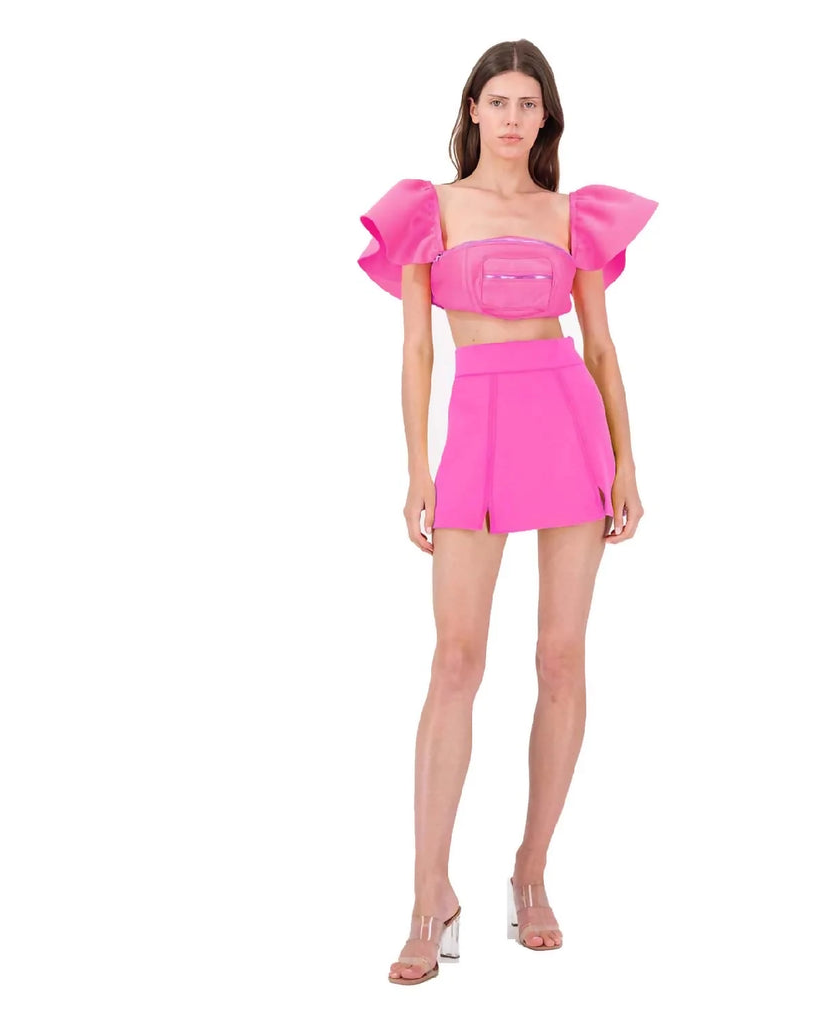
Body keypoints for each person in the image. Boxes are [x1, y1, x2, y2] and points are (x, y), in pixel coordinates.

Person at [357, 38, 658, 985]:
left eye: (530, 103)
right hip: (478, 429)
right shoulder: (428, 209)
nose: (514, 117)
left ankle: (531, 873)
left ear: (545, 117)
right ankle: (428, 896)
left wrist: (628, 462)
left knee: (560, 657)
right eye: (499, 101)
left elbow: (601, 349)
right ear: (473, 110)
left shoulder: (572, 215)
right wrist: (417, 470)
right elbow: (418, 352)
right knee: (455, 662)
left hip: (568, 422)